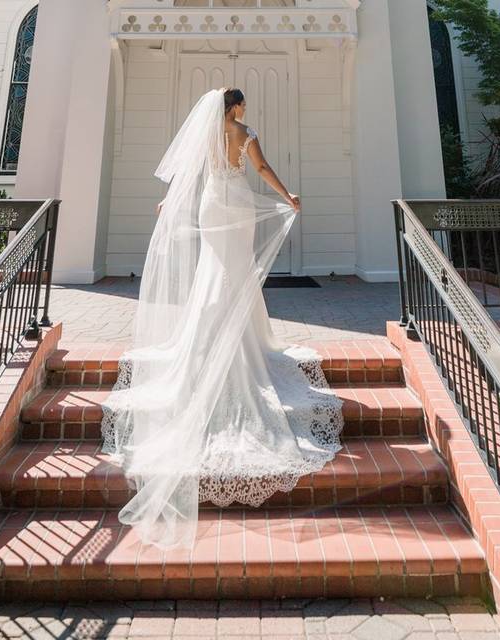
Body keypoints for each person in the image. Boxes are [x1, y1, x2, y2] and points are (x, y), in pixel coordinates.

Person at [101, 88, 344, 549]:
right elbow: (263, 169)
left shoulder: (208, 135)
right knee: (235, 274)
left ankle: (206, 337)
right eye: (243, 105)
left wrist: (169, 203)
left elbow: (188, 173)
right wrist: (286, 195)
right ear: (235, 107)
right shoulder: (244, 134)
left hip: (211, 205)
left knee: (213, 272)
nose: (245, 111)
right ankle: (235, 339)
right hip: (237, 205)